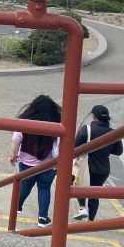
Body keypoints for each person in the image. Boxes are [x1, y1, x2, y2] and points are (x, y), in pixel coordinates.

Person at [9, 94, 62, 227]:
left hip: (27, 163)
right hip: (49, 165)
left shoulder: (25, 121)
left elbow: (16, 140)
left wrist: (13, 156)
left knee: (25, 185)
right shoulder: (56, 122)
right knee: (44, 188)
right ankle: (43, 218)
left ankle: (17, 206)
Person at [73, 104, 123, 221]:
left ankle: (82, 207)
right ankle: (91, 221)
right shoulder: (113, 132)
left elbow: (75, 146)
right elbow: (118, 151)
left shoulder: (87, 129)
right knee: (94, 194)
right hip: (103, 169)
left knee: (79, 184)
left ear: (93, 116)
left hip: (86, 166)